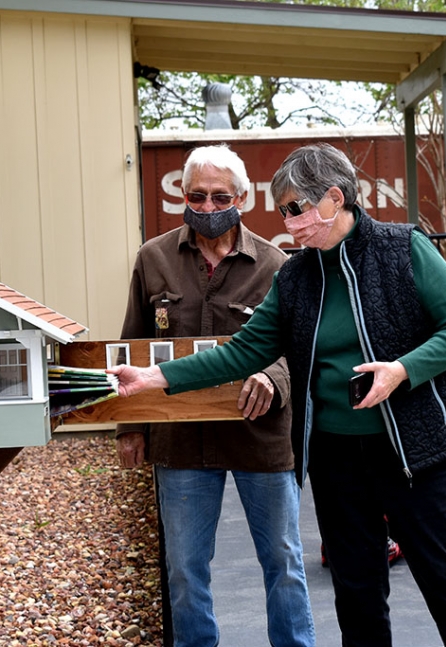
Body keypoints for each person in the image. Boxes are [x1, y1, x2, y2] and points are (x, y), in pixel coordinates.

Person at [109, 143, 446, 647]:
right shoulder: (296, 276)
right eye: (282, 211)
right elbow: (245, 350)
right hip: (338, 457)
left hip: (414, 452)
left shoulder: (402, 247)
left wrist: (402, 371)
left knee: (444, 582)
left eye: (296, 209)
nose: (289, 222)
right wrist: (155, 379)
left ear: (334, 200)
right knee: (356, 591)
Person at [114, 144, 315, 647]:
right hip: (181, 440)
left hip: (262, 437)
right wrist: (130, 427)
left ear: (243, 197)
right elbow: (132, 348)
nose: (207, 207)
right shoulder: (153, 259)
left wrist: (275, 378)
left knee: (284, 562)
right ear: (183, 195)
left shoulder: (276, 265)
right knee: (184, 569)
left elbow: (301, 348)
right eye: (197, 196)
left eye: (219, 196)